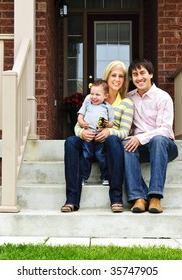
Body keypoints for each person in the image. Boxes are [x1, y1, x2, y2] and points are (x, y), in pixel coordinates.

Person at [61, 61, 134, 213]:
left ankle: (116, 199)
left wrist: (109, 132)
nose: (117, 79)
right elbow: (78, 124)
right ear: (107, 77)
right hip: (88, 142)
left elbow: (124, 132)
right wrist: (82, 133)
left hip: (107, 149)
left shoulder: (127, 103)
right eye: (113, 75)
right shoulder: (91, 98)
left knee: (114, 139)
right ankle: (71, 200)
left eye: (121, 76)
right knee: (70, 141)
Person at [123, 58, 178, 214]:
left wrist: (140, 138)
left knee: (158, 139)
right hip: (141, 146)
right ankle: (138, 197)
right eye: (135, 74)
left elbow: (165, 130)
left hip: (165, 146)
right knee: (124, 145)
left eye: (142, 73)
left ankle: (155, 197)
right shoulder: (129, 98)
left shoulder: (163, 97)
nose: (139, 78)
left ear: (151, 74)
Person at [77, 79, 114, 186]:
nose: (94, 97)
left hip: (100, 137)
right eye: (92, 93)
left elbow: (112, 122)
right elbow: (80, 116)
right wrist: (82, 123)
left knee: (101, 156)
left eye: (97, 94)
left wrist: (107, 125)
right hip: (88, 136)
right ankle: (83, 177)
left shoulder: (107, 107)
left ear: (105, 96)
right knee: (86, 155)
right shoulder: (87, 104)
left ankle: (105, 177)